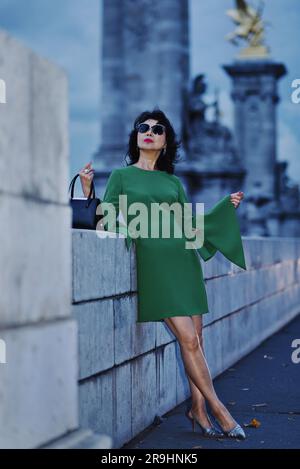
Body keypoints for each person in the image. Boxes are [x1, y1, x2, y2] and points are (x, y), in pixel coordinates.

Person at [79, 108, 246, 440]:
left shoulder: (173, 182)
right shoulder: (121, 176)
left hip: (184, 263)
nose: (149, 131)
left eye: (158, 128)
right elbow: (105, 218)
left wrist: (222, 210)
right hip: (154, 264)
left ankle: (197, 410)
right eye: (143, 127)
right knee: (187, 338)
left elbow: (188, 226)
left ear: (166, 141)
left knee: (197, 340)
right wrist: (88, 190)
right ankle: (220, 410)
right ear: (136, 137)